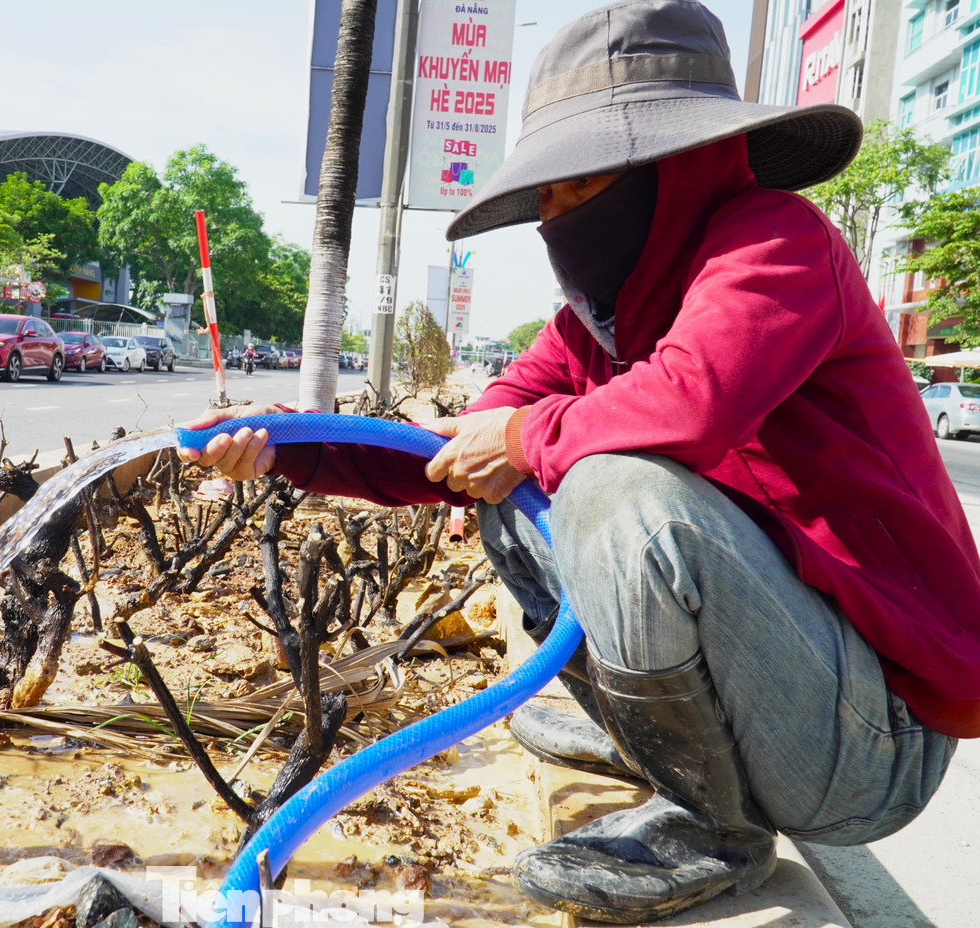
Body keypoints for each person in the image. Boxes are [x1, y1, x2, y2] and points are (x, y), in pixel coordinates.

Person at [179, 1, 980, 923]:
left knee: (613, 484)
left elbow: (694, 399)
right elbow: (448, 455)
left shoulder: (776, 245)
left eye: (577, 187)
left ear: (667, 166)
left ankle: (711, 829)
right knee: (513, 490)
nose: (553, 220)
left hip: (873, 742)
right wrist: (287, 442)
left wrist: (527, 437)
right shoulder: (592, 330)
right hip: (791, 703)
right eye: (545, 198)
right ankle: (667, 757)